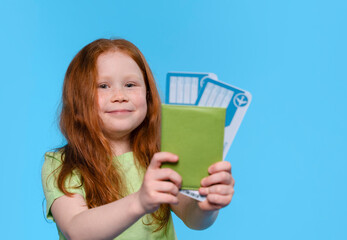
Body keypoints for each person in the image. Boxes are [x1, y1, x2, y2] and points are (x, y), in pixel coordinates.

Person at [41, 39, 235, 240]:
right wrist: (140, 202)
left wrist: (207, 205)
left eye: (130, 84)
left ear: (148, 95)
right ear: (78, 98)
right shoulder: (60, 165)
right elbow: (77, 231)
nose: (119, 96)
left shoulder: (162, 155)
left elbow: (193, 218)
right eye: (103, 86)